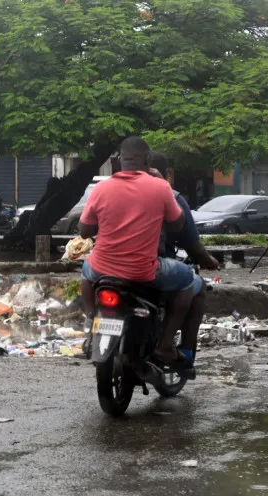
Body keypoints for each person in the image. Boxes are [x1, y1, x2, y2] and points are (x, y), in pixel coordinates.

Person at [78, 136, 195, 373]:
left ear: (119, 160)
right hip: (143, 271)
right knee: (190, 280)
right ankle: (165, 345)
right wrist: (166, 189)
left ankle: (91, 320)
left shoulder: (101, 188)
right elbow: (178, 224)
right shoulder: (159, 187)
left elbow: (84, 230)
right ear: (148, 159)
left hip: (101, 269)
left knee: (85, 270)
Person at [150, 151, 220, 363]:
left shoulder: (114, 191)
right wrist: (209, 260)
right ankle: (180, 350)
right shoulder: (170, 196)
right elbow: (189, 239)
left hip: (107, 265)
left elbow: (86, 229)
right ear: (166, 174)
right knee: (192, 282)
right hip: (151, 266)